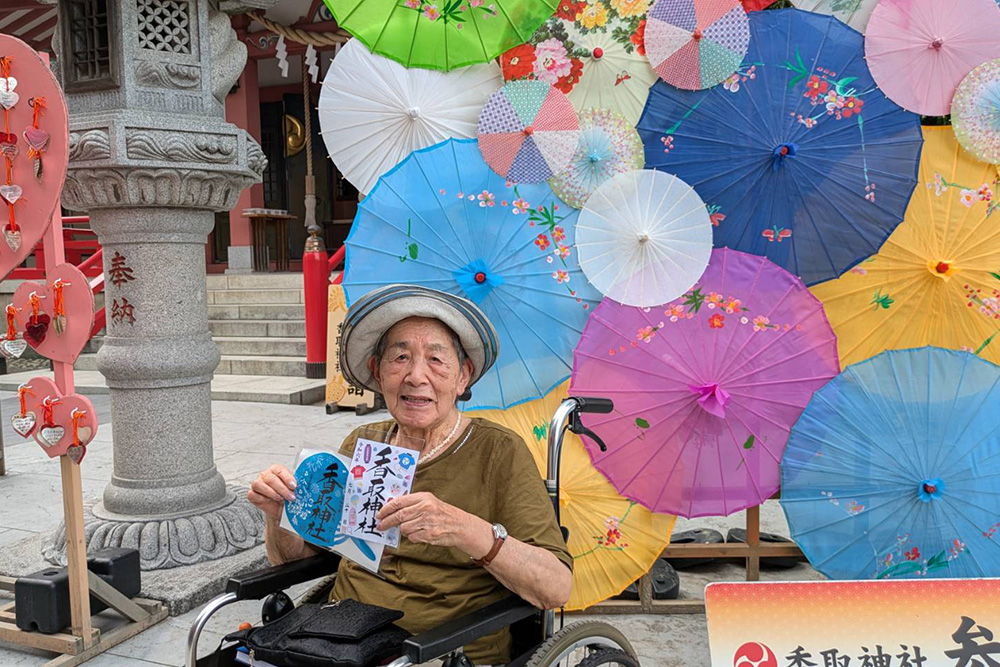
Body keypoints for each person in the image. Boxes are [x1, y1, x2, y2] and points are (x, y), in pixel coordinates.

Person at [248, 284, 573, 665]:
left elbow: (556, 587)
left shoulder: (498, 451)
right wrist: (279, 515)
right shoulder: (361, 442)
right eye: (400, 357)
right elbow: (295, 557)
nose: (416, 376)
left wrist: (467, 530)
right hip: (338, 640)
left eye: (436, 360)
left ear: (463, 376)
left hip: (444, 649)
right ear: (377, 371)